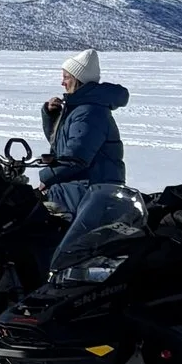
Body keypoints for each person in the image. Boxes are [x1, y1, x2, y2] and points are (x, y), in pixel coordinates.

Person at [35, 50, 131, 259]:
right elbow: (61, 146)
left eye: (66, 77)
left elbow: (75, 158)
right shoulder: (78, 109)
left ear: (79, 80)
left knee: (73, 251)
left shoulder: (89, 112)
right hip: (77, 190)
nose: (62, 83)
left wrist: (45, 179)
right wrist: (51, 116)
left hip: (89, 193)